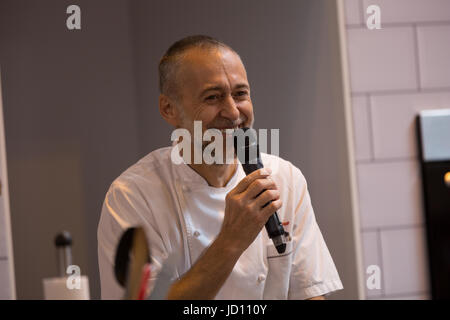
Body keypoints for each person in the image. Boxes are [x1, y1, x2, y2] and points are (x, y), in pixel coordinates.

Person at [97, 35, 343, 300]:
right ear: (169, 109)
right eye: (213, 97)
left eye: (240, 94)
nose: (233, 112)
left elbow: (309, 293)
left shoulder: (285, 179)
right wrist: (231, 241)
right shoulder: (133, 196)